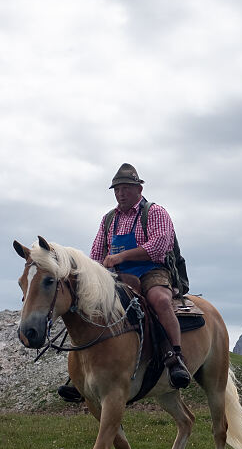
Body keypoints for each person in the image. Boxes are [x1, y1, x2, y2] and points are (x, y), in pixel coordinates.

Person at [57, 163, 190, 402]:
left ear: (139, 188)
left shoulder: (155, 212)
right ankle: (82, 375)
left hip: (152, 270)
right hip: (117, 276)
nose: (121, 193)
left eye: (126, 187)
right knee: (91, 307)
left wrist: (121, 256)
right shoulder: (108, 219)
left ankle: (175, 358)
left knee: (159, 300)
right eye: (117, 189)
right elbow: (97, 255)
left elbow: (159, 247)